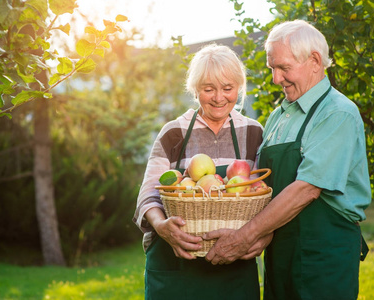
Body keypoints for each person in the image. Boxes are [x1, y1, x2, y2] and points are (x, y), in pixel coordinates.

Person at [203, 20, 371, 300]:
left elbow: (307, 189)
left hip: (324, 255)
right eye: (272, 69)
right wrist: (261, 235)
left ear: (315, 61)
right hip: (279, 249)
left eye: (283, 68)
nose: (275, 79)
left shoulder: (337, 113)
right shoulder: (278, 116)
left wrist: (244, 237)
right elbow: (261, 185)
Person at [133, 43, 268, 299]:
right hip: (177, 268)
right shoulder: (174, 132)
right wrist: (162, 226)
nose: (219, 97)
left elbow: (261, 194)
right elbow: (148, 194)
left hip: (233, 269)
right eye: (209, 89)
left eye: (228, 88)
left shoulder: (253, 132)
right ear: (196, 90)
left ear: (238, 88)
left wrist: (261, 236)